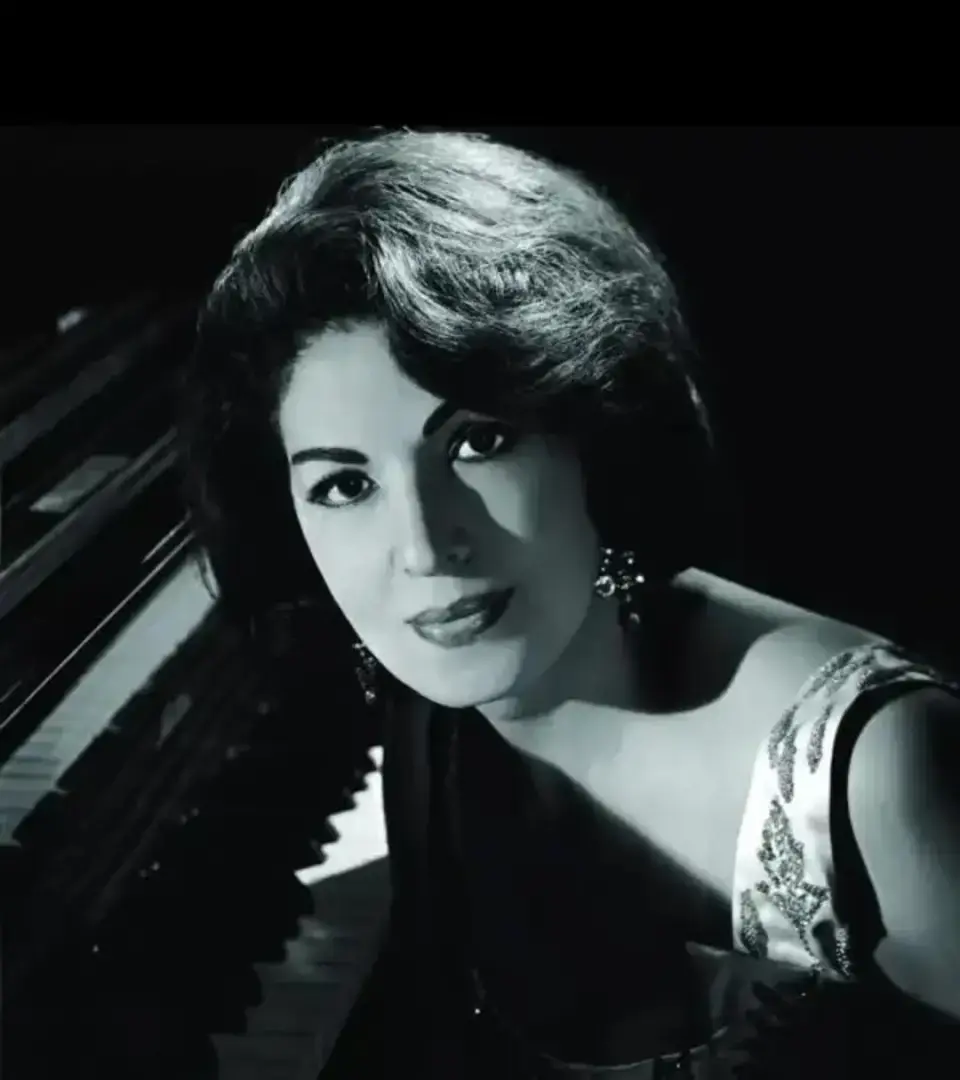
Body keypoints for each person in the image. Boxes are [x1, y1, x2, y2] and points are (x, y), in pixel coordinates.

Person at [177, 128, 960, 1078]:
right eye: (345, 486)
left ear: (594, 427)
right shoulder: (432, 699)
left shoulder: (877, 774)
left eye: (478, 443)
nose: (424, 549)